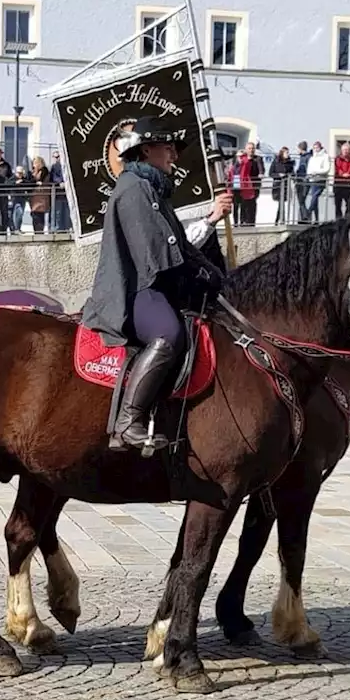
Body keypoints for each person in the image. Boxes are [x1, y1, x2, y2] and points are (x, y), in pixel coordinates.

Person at [82, 115, 234, 453]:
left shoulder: (151, 188)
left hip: (156, 285)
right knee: (168, 335)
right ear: (147, 149)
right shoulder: (133, 187)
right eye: (169, 149)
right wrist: (201, 275)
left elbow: (178, 247)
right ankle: (127, 422)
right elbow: (157, 255)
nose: (175, 157)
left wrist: (218, 277)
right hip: (137, 291)